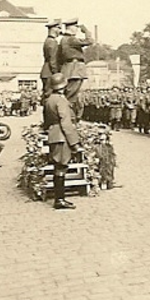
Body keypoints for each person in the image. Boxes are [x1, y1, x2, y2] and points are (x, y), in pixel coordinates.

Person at [43, 73, 84, 209]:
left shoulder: (49, 99)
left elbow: (47, 120)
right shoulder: (61, 100)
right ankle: (59, 200)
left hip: (53, 134)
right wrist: (74, 143)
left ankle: (59, 199)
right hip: (61, 136)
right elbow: (66, 122)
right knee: (61, 167)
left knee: (58, 166)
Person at [58, 18, 93, 122]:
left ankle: (69, 118)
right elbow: (89, 41)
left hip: (69, 69)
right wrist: (86, 31)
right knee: (71, 96)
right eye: (76, 27)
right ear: (71, 28)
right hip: (75, 70)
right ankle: (69, 119)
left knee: (70, 95)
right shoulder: (71, 39)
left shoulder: (64, 39)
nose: (77, 30)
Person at [40, 19, 62, 104]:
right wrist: (56, 73)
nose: (60, 31)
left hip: (46, 71)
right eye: (59, 28)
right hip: (49, 72)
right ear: (54, 29)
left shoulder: (47, 41)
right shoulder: (52, 42)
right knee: (49, 96)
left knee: (47, 96)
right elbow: (53, 60)